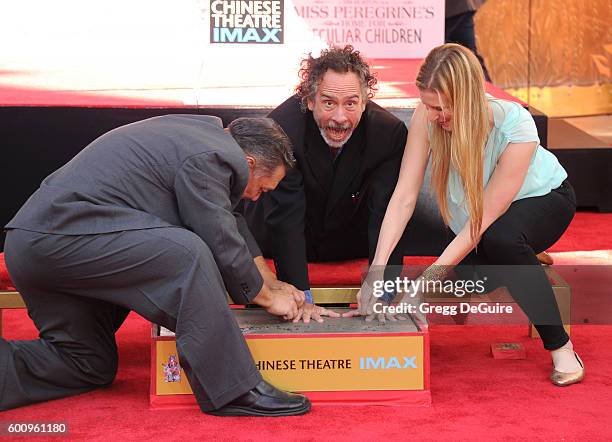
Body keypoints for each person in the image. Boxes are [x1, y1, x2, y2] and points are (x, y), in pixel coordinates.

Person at [1, 115, 312, 416]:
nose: (258, 198)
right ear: (249, 164)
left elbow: (229, 222)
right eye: (263, 189)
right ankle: (234, 389)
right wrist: (268, 298)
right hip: (59, 240)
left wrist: (270, 282)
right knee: (188, 255)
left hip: (36, 247)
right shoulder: (212, 157)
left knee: (86, 361)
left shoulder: (202, 137)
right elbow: (218, 237)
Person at [347, 44, 584, 386]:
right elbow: (403, 197)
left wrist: (426, 281)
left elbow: (483, 221)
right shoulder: (425, 115)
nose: (432, 115)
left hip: (543, 199)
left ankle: (562, 347)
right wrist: (377, 271)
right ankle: (522, 257)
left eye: (442, 108)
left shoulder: (515, 126)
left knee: (503, 240)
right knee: (478, 276)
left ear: (469, 98)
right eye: (427, 105)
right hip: (482, 219)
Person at [242, 46, 447, 322]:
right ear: (310, 100)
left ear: (365, 101)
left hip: (349, 241)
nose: (340, 118)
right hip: (279, 236)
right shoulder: (283, 128)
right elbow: (286, 216)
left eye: (351, 103)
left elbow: (387, 212)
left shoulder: (387, 134)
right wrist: (300, 297)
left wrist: (384, 291)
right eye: (328, 103)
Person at [445, 0, 491, 81]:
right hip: (453, 9)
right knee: (467, 55)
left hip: (453, 9)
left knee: (467, 56)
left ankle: (486, 90)